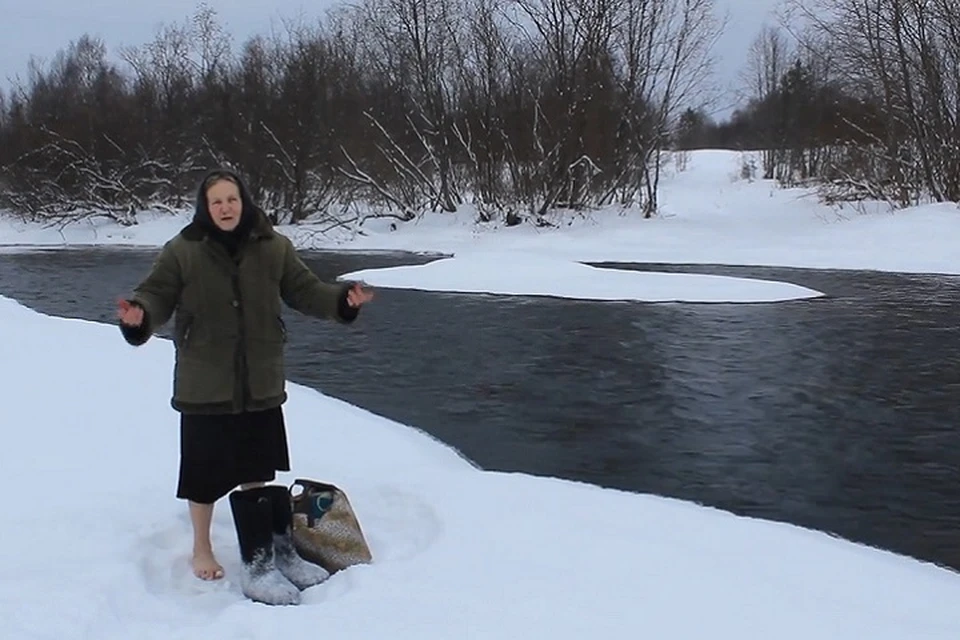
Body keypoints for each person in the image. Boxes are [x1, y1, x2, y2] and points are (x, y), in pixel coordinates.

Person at [117, 168, 373, 605]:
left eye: (231, 199)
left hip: (259, 375)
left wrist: (340, 300)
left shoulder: (273, 247)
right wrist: (140, 315)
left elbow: (305, 290)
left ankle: (269, 552)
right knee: (203, 472)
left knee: (258, 467)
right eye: (216, 201)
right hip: (205, 378)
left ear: (244, 201)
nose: (225, 208)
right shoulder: (183, 250)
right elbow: (156, 293)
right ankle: (202, 546)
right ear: (206, 207)